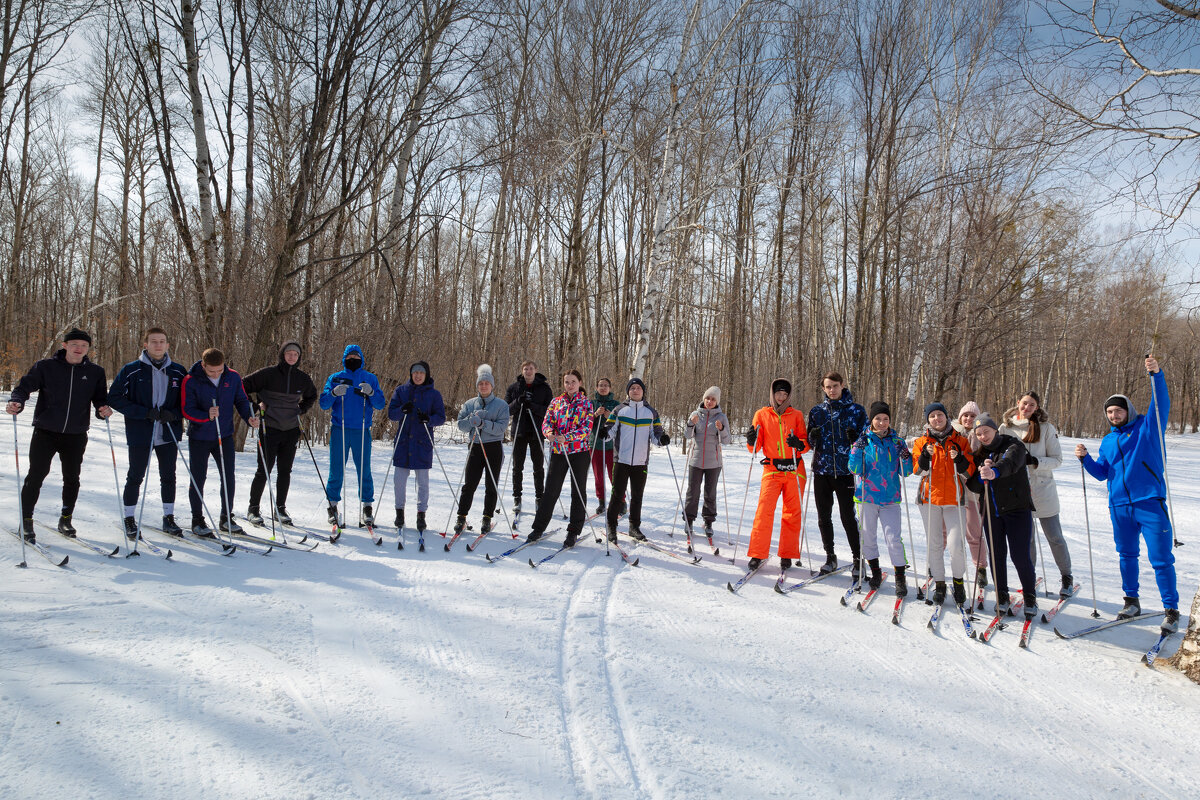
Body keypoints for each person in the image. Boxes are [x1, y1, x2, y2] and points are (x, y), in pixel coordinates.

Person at [1076, 355, 1179, 632]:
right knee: (1127, 555)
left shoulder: (1148, 428)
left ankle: (1171, 609)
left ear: (1128, 410)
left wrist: (1156, 375)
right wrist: (1085, 459)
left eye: (1118, 410)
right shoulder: (1108, 441)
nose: (1114, 415)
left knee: (1161, 559)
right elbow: (1102, 473)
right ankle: (1131, 601)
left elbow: (1161, 403)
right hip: (1119, 507)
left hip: (1149, 503)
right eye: (1109, 412)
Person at [6, 328, 112, 541]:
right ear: (65, 345)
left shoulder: (95, 372)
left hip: (76, 434)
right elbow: (24, 387)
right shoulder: (46, 367)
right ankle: (26, 520)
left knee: (72, 478)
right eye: (74, 344)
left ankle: (66, 519)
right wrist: (16, 400)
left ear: (88, 348)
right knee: (36, 476)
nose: (79, 348)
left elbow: (100, 398)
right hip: (45, 431)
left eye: (83, 345)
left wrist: (103, 410)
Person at [108, 327, 188, 538]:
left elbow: (189, 401)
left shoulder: (179, 371)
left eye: (162, 341)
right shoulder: (132, 369)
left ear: (168, 345)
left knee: (168, 476)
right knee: (135, 476)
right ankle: (129, 518)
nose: (158, 345)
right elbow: (114, 397)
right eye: (154, 341)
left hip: (168, 432)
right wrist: (143, 413)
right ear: (145, 344)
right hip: (140, 432)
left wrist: (175, 414)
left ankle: (168, 518)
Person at [1000, 390, 1073, 597]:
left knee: (1055, 537)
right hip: (1018, 491)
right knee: (1026, 540)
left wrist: (1036, 461)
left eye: (1031, 405)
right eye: (1024, 404)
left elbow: (1057, 459)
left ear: (1037, 407)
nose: (1027, 408)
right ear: (1017, 404)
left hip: (1043, 490)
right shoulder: (1006, 428)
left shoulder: (1046, 428)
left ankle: (1066, 576)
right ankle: (1028, 577)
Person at [965, 413, 1038, 619]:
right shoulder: (979, 454)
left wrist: (993, 471)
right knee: (997, 556)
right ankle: (1002, 595)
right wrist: (981, 475)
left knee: (1020, 555)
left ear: (995, 430)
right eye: (978, 434)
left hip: (1017, 509)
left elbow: (1011, 463)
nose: (982, 436)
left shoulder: (1013, 445)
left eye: (986, 432)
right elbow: (972, 484)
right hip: (991, 512)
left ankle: (1030, 595)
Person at [180, 348, 259, 535]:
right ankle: (197, 519)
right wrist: (205, 415)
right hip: (200, 437)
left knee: (228, 476)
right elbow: (186, 409)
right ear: (203, 365)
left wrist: (249, 417)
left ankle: (226, 517)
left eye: (219, 370)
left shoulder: (232, 377)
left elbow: (241, 400)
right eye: (211, 371)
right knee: (198, 478)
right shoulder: (191, 380)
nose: (216, 374)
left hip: (224, 436)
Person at [241, 341, 318, 527]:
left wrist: (301, 409)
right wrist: (255, 407)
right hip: (270, 428)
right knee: (264, 470)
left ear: (299, 358)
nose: (292, 357)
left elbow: (312, 395)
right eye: (289, 353)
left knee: (285, 471)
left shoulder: (302, 378)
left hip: (291, 430)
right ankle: (253, 508)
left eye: (296, 355)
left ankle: (280, 508)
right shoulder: (268, 374)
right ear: (282, 354)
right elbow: (241, 386)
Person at [848, 401, 914, 595]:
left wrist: (905, 457)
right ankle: (875, 571)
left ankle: (900, 576)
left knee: (893, 538)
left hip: (890, 499)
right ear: (872, 419)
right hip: (866, 497)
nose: (882, 422)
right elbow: (855, 469)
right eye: (878, 419)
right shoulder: (863, 441)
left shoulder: (897, 442)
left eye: (885, 419)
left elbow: (907, 472)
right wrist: (856, 450)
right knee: (868, 536)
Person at [911, 402, 973, 606]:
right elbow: (917, 471)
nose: (937, 419)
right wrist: (925, 458)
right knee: (935, 544)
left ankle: (958, 581)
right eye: (932, 416)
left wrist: (961, 460)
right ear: (927, 420)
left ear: (947, 416)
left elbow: (968, 472)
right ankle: (939, 583)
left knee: (956, 545)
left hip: (954, 499)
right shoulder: (922, 442)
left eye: (940, 415)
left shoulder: (961, 441)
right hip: (929, 499)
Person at [744, 378, 808, 571]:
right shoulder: (762, 414)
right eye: (778, 393)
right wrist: (751, 440)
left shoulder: (796, 415)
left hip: (794, 470)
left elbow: (805, 443)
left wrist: (798, 444)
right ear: (773, 394)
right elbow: (755, 447)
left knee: (792, 513)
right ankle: (757, 553)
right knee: (764, 511)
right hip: (772, 469)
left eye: (785, 394)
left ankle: (787, 554)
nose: (781, 397)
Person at [807, 372, 867, 576]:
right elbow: (809, 443)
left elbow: (866, 440)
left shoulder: (856, 410)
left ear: (842, 385)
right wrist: (812, 437)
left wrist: (856, 438)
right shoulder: (817, 412)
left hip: (845, 472)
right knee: (824, 517)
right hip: (822, 471)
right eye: (828, 387)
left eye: (835, 386)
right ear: (823, 389)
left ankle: (858, 558)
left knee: (848, 516)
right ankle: (830, 556)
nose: (832, 390)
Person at [319, 344, 386, 526]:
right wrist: (333, 392)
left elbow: (380, 404)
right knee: (336, 470)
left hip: (361, 430)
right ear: (344, 359)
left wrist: (371, 393)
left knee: (364, 470)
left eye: (356, 357)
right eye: (350, 357)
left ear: (362, 359)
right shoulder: (335, 378)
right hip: (339, 429)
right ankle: (332, 507)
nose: (353, 360)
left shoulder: (370, 378)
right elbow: (324, 403)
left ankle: (367, 508)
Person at [526, 369, 593, 547]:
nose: (569, 385)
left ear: (579, 383)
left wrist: (568, 437)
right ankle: (538, 528)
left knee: (578, 491)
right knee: (551, 490)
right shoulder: (556, 402)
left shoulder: (586, 403)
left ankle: (573, 531)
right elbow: (547, 422)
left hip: (579, 451)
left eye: (573, 382)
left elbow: (587, 428)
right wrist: (548, 433)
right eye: (566, 382)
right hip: (558, 451)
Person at [601, 377, 668, 542]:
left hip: (641, 462)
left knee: (637, 496)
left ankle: (634, 527)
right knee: (617, 495)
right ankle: (611, 526)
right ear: (628, 392)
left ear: (643, 391)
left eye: (638, 388)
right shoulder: (619, 410)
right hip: (621, 460)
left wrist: (662, 439)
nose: (635, 390)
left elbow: (656, 434)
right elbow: (610, 430)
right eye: (632, 388)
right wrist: (605, 434)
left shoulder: (651, 412)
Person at [387, 360, 446, 532]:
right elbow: (392, 414)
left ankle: (421, 514)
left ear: (426, 375)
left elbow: (441, 417)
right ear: (411, 375)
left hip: (422, 443)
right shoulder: (401, 391)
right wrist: (401, 410)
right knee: (399, 481)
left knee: (423, 483)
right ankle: (399, 513)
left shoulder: (434, 394)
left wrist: (429, 419)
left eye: (421, 373)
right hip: (403, 443)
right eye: (415, 373)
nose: (418, 376)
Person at [453, 364, 509, 535]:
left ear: (492, 386)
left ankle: (487, 517)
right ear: (477, 386)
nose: (483, 386)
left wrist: (484, 423)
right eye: (480, 384)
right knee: (469, 484)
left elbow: (501, 428)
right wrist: (472, 420)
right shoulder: (470, 404)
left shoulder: (501, 405)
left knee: (491, 485)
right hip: (475, 447)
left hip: (493, 447)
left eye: (486, 383)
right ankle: (461, 516)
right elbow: (460, 425)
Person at [504, 360, 553, 514]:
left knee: (538, 467)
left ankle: (540, 497)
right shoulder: (514, 388)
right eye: (526, 369)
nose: (528, 371)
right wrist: (519, 401)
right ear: (522, 370)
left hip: (537, 432)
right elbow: (506, 410)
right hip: (519, 431)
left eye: (531, 368)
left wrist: (534, 406)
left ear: (536, 370)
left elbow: (550, 411)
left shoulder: (544, 388)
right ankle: (517, 497)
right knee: (517, 467)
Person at [683, 385, 730, 538]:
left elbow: (727, 440)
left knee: (710, 493)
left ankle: (708, 522)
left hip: (713, 463)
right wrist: (691, 423)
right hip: (695, 460)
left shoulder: (721, 417)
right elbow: (687, 435)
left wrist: (722, 429)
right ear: (703, 399)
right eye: (707, 398)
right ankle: (689, 520)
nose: (709, 401)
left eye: (713, 399)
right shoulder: (696, 414)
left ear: (717, 402)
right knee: (692, 492)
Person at [952, 401, 988, 592]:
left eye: (973, 416)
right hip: (951, 489)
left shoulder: (981, 436)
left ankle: (981, 567)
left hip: (972, 491)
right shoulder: (952, 433)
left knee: (973, 531)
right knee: (945, 531)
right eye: (965, 415)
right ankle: (936, 566)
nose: (968, 419)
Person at [590, 377, 619, 514]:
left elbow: (621, 424)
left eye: (606, 385)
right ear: (596, 388)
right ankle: (601, 501)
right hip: (595, 444)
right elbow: (584, 423)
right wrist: (595, 414)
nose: (603, 388)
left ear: (610, 388)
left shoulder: (616, 404)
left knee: (614, 475)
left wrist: (610, 416)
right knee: (598, 476)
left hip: (611, 446)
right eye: (600, 385)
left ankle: (620, 501)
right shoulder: (591, 403)